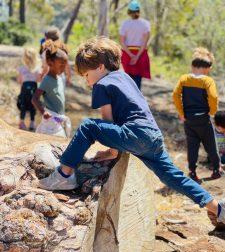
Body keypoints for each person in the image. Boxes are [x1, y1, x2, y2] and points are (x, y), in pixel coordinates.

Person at [38, 37, 225, 226]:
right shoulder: (125, 77)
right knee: (175, 178)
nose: (87, 81)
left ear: (100, 67)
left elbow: (108, 120)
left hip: (135, 134)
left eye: (86, 75)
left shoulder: (101, 85)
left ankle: (63, 174)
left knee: (87, 126)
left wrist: (112, 151)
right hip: (153, 136)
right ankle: (218, 209)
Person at [173, 47, 221, 182]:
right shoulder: (207, 81)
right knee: (211, 144)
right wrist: (212, 111)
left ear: (192, 66)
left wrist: (181, 113)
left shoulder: (184, 79)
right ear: (207, 68)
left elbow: (175, 95)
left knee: (192, 145)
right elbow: (213, 96)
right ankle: (216, 170)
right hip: (203, 118)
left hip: (189, 119)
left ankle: (193, 172)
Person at [32, 40, 71, 138]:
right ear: (50, 63)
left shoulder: (59, 78)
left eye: (65, 65)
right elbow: (34, 99)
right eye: (61, 64)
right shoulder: (47, 80)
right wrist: (43, 111)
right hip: (51, 120)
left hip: (58, 119)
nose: (63, 68)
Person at [119, 0, 151, 90]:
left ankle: (127, 101)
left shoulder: (125, 24)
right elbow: (144, 43)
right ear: (139, 11)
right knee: (138, 79)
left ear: (129, 11)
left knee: (128, 79)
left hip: (127, 53)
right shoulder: (145, 24)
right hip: (141, 53)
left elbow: (122, 42)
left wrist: (131, 55)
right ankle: (136, 101)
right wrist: (136, 56)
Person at [17, 47, 42, 131]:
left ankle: (21, 122)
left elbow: (19, 80)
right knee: (33, 105)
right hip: (33, 88)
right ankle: (32, 123)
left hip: (24, 88)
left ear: (24, 57)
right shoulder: (37, 69)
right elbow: (39, 79)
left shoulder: (22, 68)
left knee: (23, 104)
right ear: (35, 57)